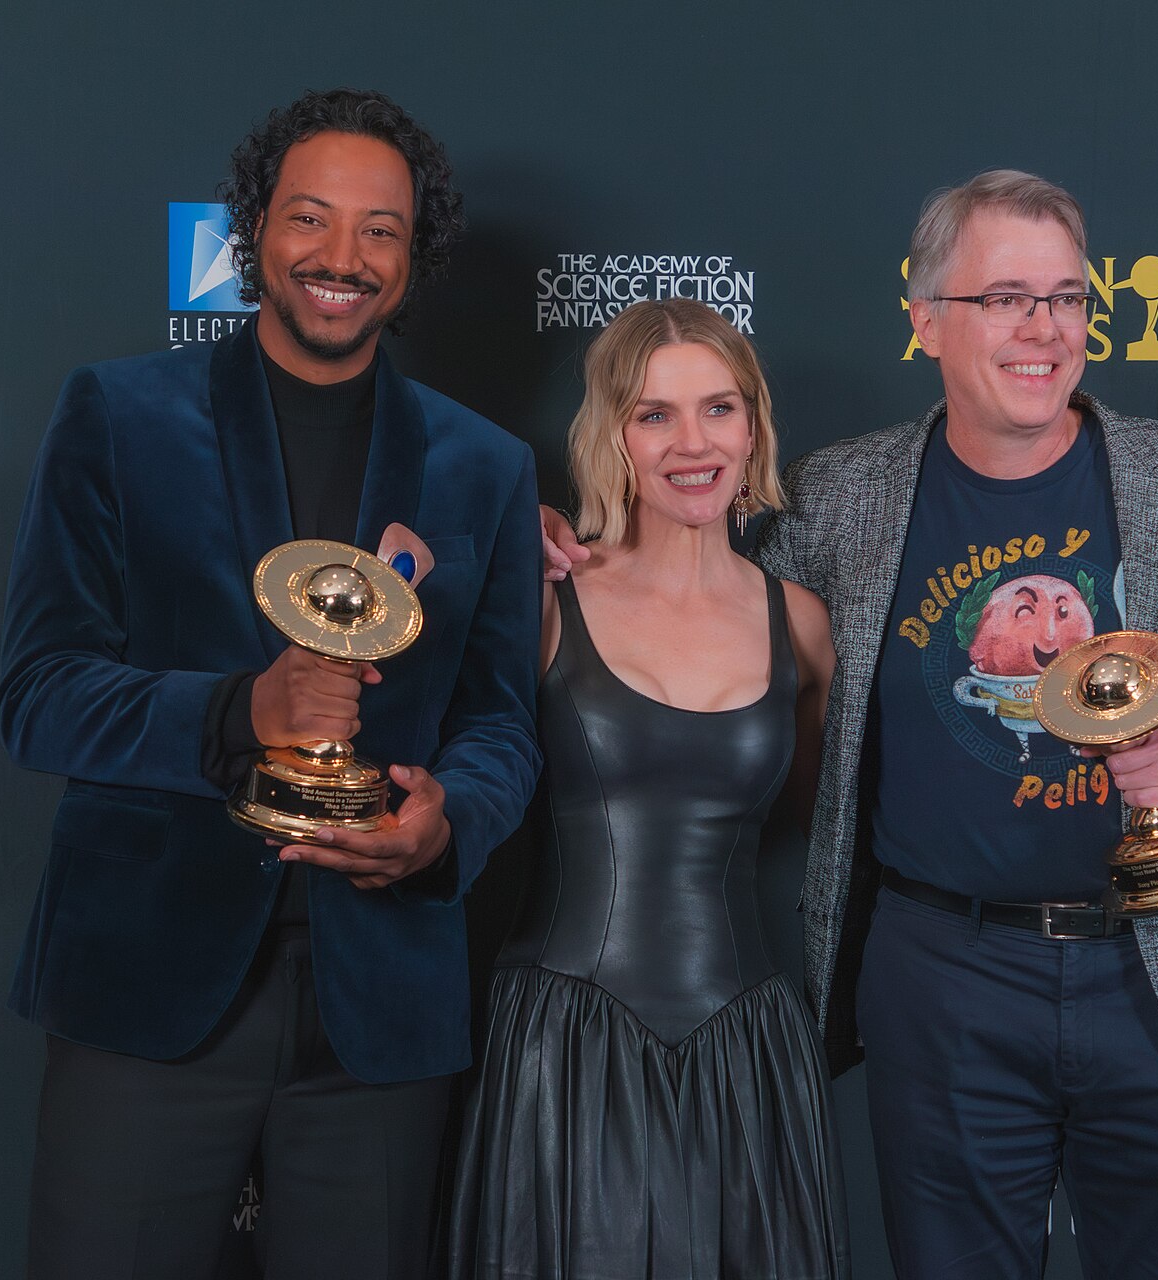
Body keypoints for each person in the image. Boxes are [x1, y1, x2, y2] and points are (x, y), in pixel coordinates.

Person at [543, 171, 1158, 1279]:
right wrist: (570, 544)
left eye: (1066, 296)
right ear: (924, 320)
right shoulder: (838, 499)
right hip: (944, 976)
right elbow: (698, 576)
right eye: (1005, 296)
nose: (1043, 328)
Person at [0, 88, 540, 1279]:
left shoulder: (486, 465)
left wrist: (449, 826)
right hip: (149, 989)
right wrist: (243, 708)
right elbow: (36, 691)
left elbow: (500, 720)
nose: (341, 258)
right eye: (309, 218)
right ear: (255, 232)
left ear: (414, 255)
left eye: (380, 230)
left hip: (378, 1006)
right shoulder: (119, 413)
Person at [451, 299, 847, 1279]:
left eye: (718, 407)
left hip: (749, 1051)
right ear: (612, 434)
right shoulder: (542, 601)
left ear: (753, 425)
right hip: (563, 1048)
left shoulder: (801, 621)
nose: (692, 442)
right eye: (655, 413)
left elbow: (822, 823)